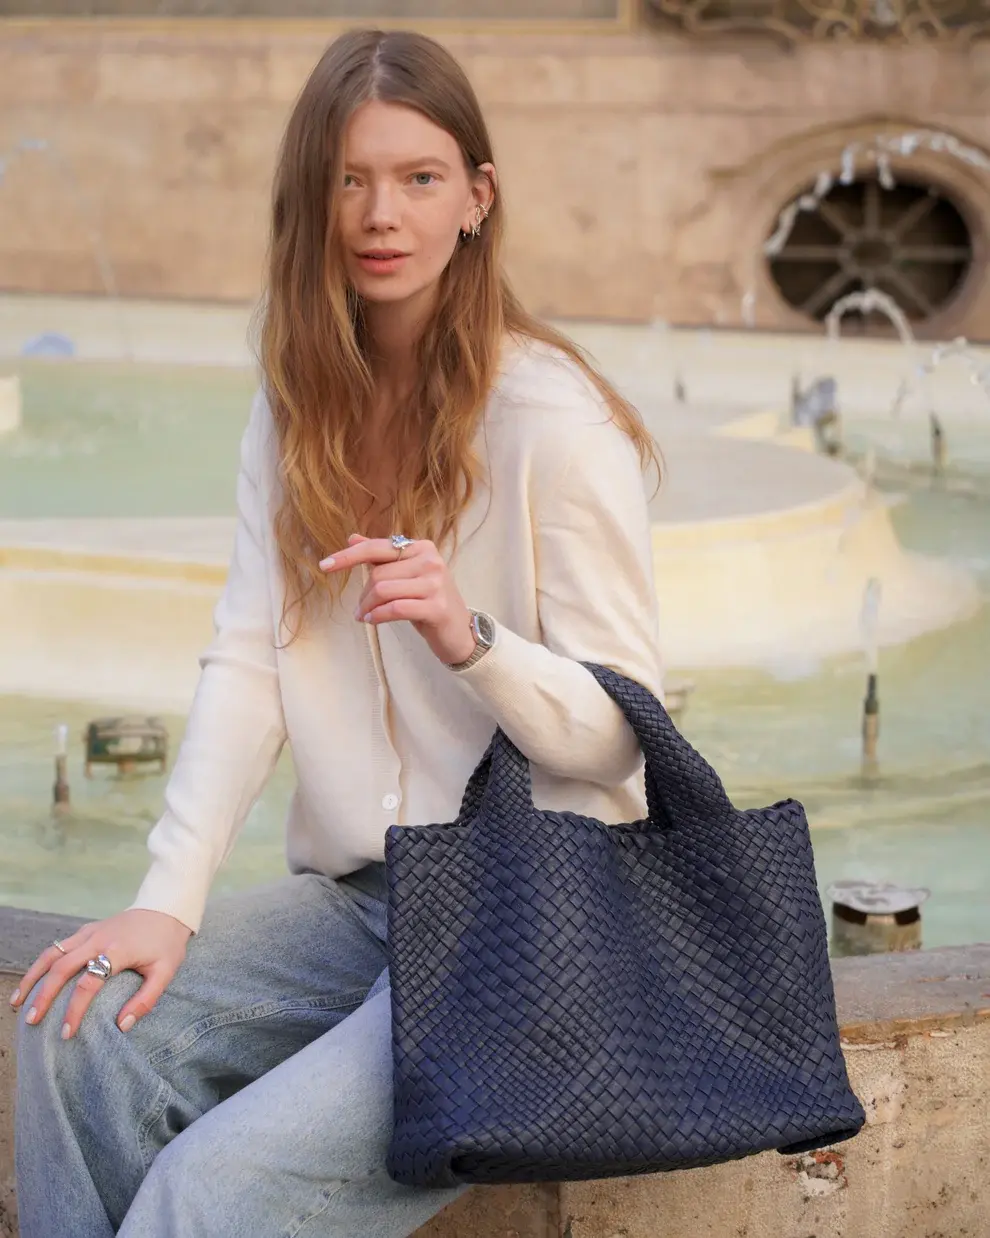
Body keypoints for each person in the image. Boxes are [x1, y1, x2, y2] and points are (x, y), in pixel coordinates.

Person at [11, 27, 663, 1238]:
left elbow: (625, 738)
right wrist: (170, 892)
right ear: (311, 200)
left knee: (210, 1192)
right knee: (78, 1028)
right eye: (349, 180)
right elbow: (249, 656)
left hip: (533, 918)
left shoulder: (556, 426)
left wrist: (475, 642)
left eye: (420, 178)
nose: (381, 214)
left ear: (478, 199)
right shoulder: (296, 402)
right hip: (366, 899)